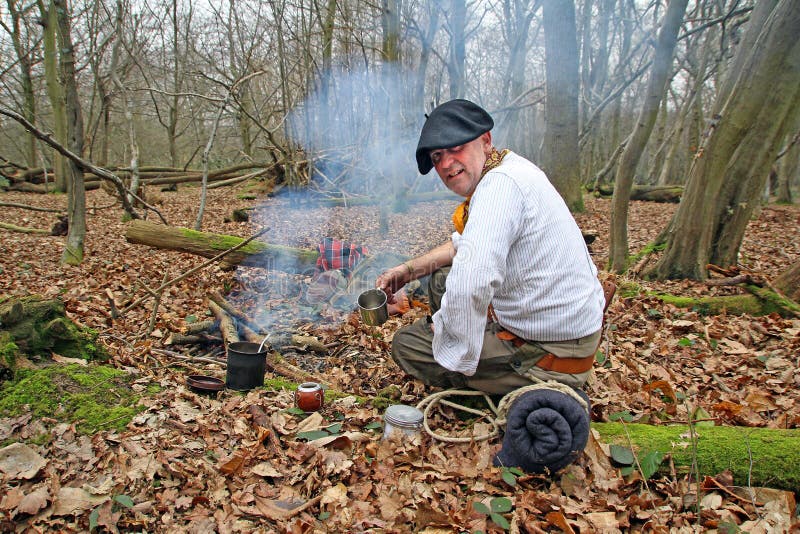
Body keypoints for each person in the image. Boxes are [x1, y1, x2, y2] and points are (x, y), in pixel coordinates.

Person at [376, 99, 606, 396]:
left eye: (455, 147)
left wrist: (449, 334)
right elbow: (462, 247)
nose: (445, 163)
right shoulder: (510, 168)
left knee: (408, 345)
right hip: (572, 332)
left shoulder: (498, 189)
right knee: (441, 279)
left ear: (485, 141)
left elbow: (472, 283)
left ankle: (524, 384)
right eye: (437, 156)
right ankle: (482, 351)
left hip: (552, 353)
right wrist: (406, 272)